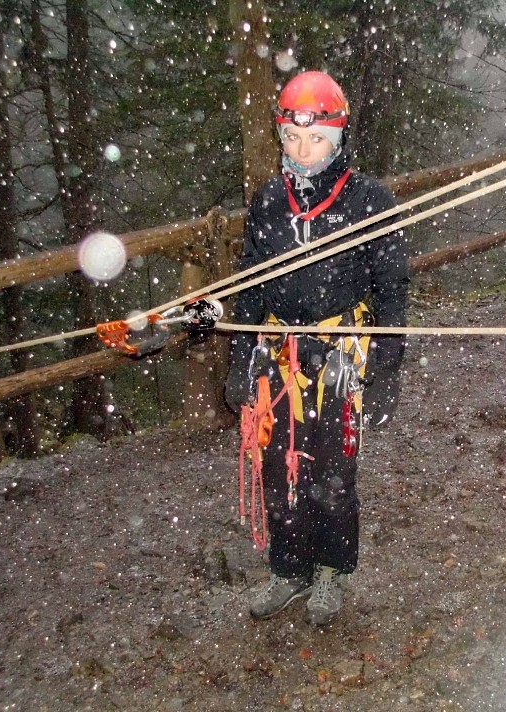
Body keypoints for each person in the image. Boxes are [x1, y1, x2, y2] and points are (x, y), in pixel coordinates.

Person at [224, 71, 409, 626]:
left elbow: (393, 287)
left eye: (317, 140)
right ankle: (290, 569)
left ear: (338, 138)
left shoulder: (369, 201)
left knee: (332, 473)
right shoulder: (267, 202)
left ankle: (331, 570)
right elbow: (250, 283)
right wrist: (239, 362)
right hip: (277, 356)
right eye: (293, 139)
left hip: (339, 357)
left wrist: (386, 369)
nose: (304, 152)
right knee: (279, 470)